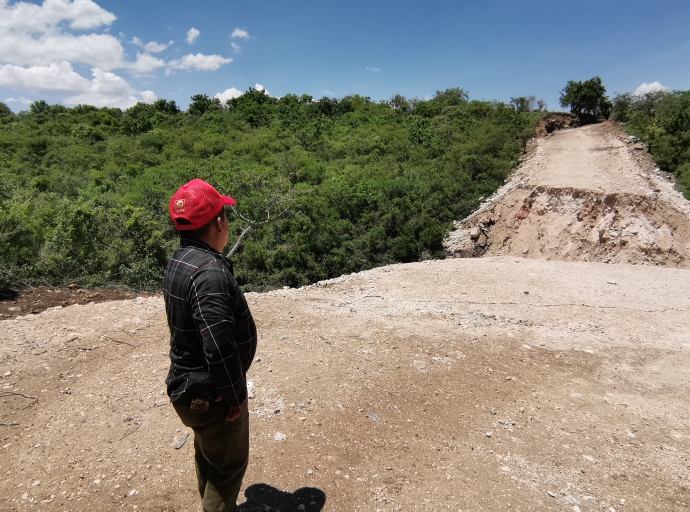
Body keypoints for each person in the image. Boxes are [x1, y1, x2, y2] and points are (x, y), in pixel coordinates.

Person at [162, 178, 258, 512]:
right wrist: (234, 395)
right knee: (228, 467)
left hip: (187, 388)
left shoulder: (180, 261)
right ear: (219, 222)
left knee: (209, 453)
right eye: (225, 215)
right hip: (212, 394)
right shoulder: (209, 273)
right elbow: (218, 346)